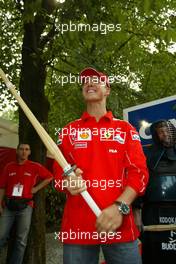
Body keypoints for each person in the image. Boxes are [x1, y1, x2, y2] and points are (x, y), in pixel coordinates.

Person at [53, 67, 149, 264]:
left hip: (118, 225)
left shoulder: (125, 129)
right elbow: (58, 177)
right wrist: (67, 184)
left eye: (97, 80)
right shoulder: (68, 131)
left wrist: (120, 206)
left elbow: (139, 173)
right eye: (85, 81)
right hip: (78, 228)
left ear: (107, 90)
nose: (89, 82)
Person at [0, 143, 53, 264]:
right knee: (1, 236)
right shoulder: (9, 166)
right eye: (21, 149)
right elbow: (2, 186)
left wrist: (36, 189)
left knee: (21, 240)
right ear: (17, 151)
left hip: (26, 207)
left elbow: (49, 177)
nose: (24, 151)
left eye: (26, 149)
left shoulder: (35, 166)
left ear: (29, 152)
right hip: (8, 206)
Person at [141, 120, 176, 264]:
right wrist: (136, 210)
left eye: (168, 131)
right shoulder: (147, 154)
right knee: (154, 252)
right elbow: (138, 180)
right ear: (156, 135)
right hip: (153, 211)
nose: (165, 134)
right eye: (161, 132)